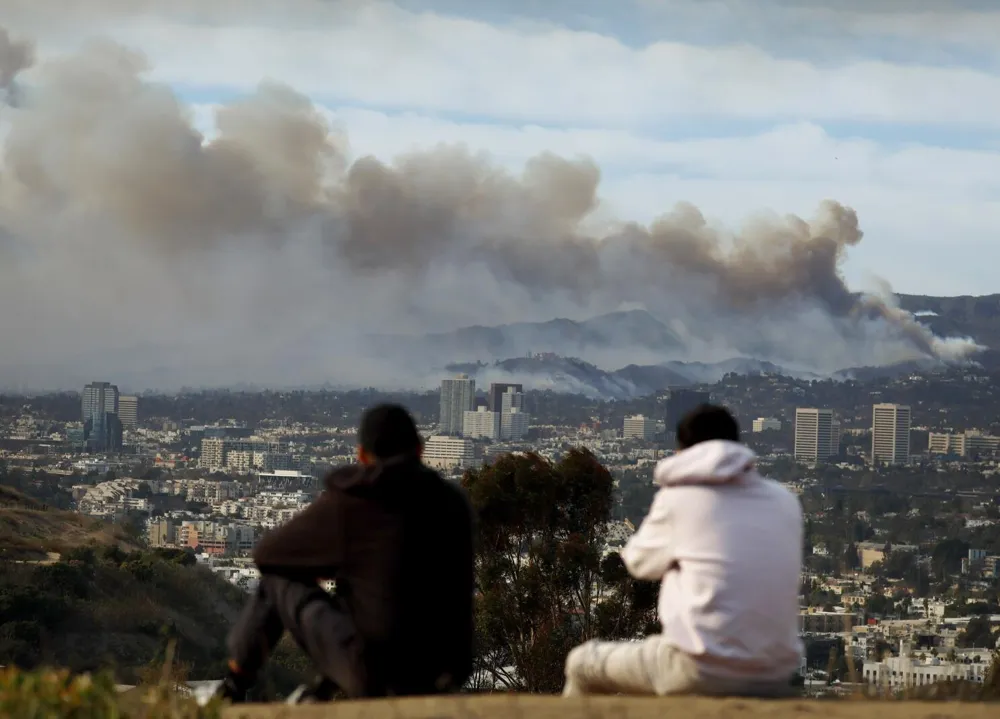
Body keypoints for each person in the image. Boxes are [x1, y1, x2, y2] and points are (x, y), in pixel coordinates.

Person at [216, 404, 476, 703]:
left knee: (277, 581)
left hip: (377, 675)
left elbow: (268, 554)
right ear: (419, 450)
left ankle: (233, 685)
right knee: (362, 595)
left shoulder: (357, 501)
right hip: (445, 670)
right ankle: (323, 689)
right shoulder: (453, 502)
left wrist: (326, 563)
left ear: (362, 456)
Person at [562, 404, 803, 698]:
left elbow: (637, 563)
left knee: (581, 663)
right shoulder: (784, 501)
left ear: (682, 451)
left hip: (697, 669)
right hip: (776, 674)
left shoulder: (680, 498)